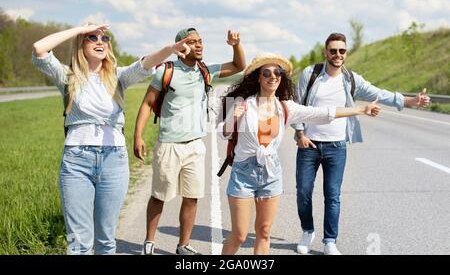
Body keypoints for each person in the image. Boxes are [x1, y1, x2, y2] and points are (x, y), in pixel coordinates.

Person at [32, 23, 191, 255]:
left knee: (106, 240)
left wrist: (170, 49)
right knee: (78, 242)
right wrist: (78, 30)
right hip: (77, 161)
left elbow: (146, 63)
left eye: (104, 38)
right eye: (92, 38)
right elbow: (39, 48)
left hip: (113, 161)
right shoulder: (67, 77)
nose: (100, 41)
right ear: (80, 44)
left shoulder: (118, 76)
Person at [217, 53, 381, 255]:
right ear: (258, 77)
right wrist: (233, 118)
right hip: (243, 173)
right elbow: (223, 133)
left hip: (271, 174)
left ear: (281, 77)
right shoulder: (243, 103)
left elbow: (323, 113)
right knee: (240, 235)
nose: (272, 76)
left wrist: (362, 109)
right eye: (266, 72)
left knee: (264, 231)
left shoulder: (285, 107)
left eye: (277, 72)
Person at [292, 33, 431, 255]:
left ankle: (330, 241)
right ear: (325, 52)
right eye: (333, 50)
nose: (338, 55)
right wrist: (299, 133)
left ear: (346, 53)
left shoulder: (351, 79)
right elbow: (297, 105)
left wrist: (410, 100)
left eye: (342, 51)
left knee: (333, 195)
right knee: (303, 192)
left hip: (336, 146)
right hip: (309, 144)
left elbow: (379, 93)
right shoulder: (311, 74)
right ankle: (307, 231)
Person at [133, 27, 246, 255]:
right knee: (159, 195)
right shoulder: (165, 71)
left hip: (195, 145)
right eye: (192, 42)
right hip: (169, 145)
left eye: (200, 41)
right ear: (180, 48)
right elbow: (147, 104)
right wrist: (138, 136)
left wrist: (235, 45)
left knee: (192, 197)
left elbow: (239, 66)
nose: (199, 45)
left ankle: (183, 245)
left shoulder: (205, 71)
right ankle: (149, 242)